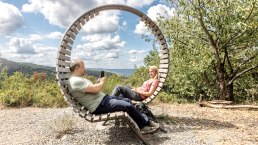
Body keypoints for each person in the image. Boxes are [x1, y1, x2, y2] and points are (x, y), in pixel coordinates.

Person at [68, 59, 159, 134]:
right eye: (83, 67)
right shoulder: (75, 81)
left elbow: (91, 90)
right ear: (77, 68)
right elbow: (96, 89)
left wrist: (98, 83)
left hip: (103, 100)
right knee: (127, 106)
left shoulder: (79, 79)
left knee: (127, 101)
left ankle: (146, 121)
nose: (84, 69)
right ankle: (143, 126)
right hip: (99, 105)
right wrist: (102, 82)